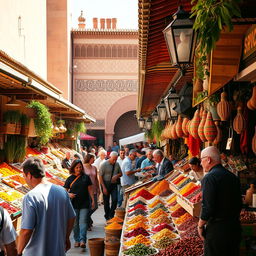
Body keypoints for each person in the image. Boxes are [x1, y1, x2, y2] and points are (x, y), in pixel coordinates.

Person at [18, 157, 76, 256]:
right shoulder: (61, 191)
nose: (25, 180)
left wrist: (18, 251)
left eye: (24, 176)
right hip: (58, 251)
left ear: (29, 175)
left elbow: (26, 231)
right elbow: (72, 217)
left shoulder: (30, 197)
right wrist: (66, 237)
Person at [198, 146, 242, 256]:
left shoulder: (209, 178)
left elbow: (207, 207)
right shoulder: (233, 176)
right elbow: (240, 203)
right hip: (234, 227)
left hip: (218, 231)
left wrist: (200, 225)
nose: (200, 164)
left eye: (201, 159)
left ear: (208, 159)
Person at [64, 160, 95, 250]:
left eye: (80, 167)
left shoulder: (86, 178)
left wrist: (93, 200)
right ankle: (77, 240)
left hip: (85, 203)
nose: (79, 169)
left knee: (83, 222)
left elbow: (90, 189)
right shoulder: (70, 179)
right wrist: (69, 195)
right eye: (77, 167)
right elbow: (64, 191)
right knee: (75, 223)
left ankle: (82, 241)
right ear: (73, 168)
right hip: (73, 204)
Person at [99, 151, 122, 220]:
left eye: (116, 159)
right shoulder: (104, 165)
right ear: (109, 157)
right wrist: (103, 188)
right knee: (106, 202)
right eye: (113, 159)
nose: (114, 161)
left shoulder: (117, 164)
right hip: (105, 184)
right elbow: (100, 177)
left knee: (115, 200)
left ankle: (111, 214)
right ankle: (107, 216)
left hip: (114, 184)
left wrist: (117, 176)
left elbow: (121, 174)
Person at [83, 154, 99, 231]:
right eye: (93, 158)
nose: (94, 160)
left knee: (95, 206)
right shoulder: (82, 167)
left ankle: (87, 219)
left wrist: (98, 188)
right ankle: (88, 224)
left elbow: (96, 179)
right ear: (89, 158)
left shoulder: (94, 168)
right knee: (88, 207)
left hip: (94, 189)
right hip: (86, 190)